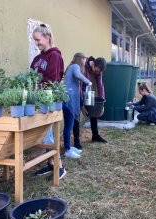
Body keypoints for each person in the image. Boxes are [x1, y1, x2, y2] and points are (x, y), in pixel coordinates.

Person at [31, 24, 66, 179]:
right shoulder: (38, 58)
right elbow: (31, 75)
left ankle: (59, 166)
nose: (36, 42)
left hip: (49, 100)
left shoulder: (55, 56)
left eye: (38, 39)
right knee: (44, 133)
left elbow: (52, 80)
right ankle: (51, 164)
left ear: (47, 37)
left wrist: (37, 86)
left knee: (47, 134)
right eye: (34, 40)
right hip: (38, 100)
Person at [73, 56, 107, 148]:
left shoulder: (98, 69)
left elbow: (100, 85)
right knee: (77, 115)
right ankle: (76, 141)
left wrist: (102, 101)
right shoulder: (83, 65)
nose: (97, 73)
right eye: (96, 71)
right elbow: (79, 85)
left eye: (99, 72)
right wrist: (81, 105)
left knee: (94, 109)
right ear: (93, 64)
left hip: (88, 91)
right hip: (77, 91)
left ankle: (95, 135)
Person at [63, 53, 92, 158]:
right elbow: (78, 75)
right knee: (68, 126)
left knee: (69, 125)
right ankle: (67, 150)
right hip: (69, 101)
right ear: (81, 59)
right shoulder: (75, 67)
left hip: (69, 100)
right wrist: (88, 82)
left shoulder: (70, 67)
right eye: (84, 59)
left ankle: (69, 147)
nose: (85, 61)